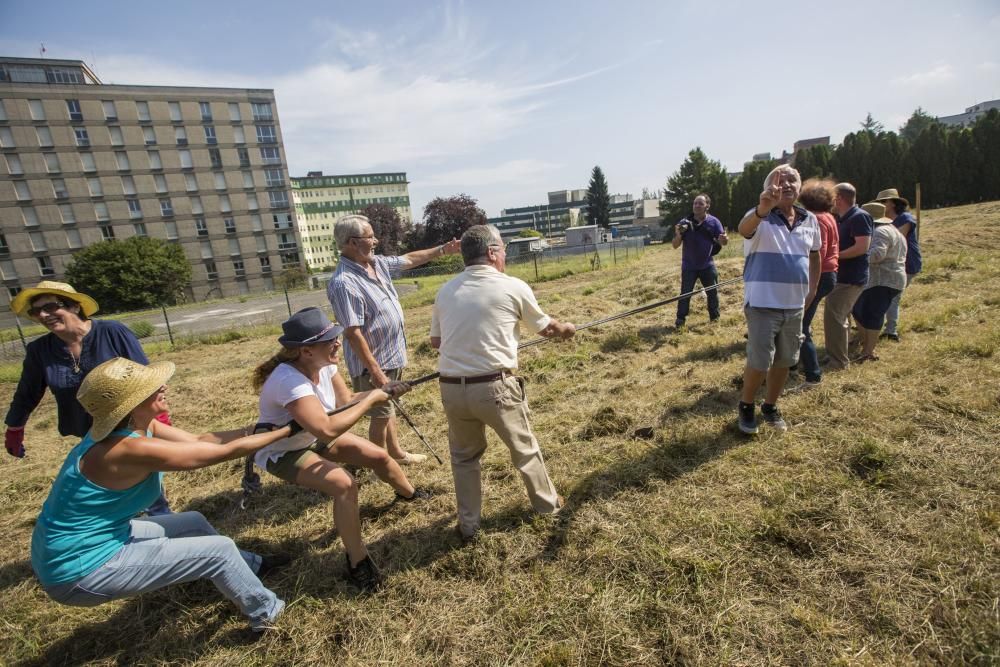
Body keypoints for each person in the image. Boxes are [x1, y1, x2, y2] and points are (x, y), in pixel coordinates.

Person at [31, 357, 295, 633]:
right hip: (79, 569)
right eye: (152, 387)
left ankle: (250, 567)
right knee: (219, 550)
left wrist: (251, 431)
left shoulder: (138, 427)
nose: (163, 387)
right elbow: (211, 455)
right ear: (132, 404)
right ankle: (268, 615)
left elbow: (199, 440)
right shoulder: (123, 449)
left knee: (192, 522)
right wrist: (287, 431)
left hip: (90, 541)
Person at [252, 307, 430, 590]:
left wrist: (383, 390)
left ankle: (409, 494)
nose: (338, 342)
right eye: (330, 340)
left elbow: (344, 399)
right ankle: (358, 561)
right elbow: (327, 428)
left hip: (312, 437)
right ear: (306, 351)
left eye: (336, 336)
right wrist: (372, 400)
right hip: (284, 451)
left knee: (379, 455)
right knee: (344, 485)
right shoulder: (289, 382)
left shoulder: (325, 365)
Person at [430, 225, 575, 542]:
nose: (506, 254)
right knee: (524, 450)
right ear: (492, 253)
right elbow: (546, 329)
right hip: (494, 388)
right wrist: (565, 329)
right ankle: (548, 507)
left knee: (464, 458)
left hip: (451, 388)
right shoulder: (512, 286)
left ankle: (469, 526)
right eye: (504, 249)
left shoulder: (445, 291)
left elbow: (435, 342)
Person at [5, 281, 172, 515]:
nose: (43, 314)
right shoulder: (39, 350)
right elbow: (27, 392)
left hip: (132, 426)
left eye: (51, 307)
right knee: (108, 487)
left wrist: (159, 420)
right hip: (90, 433)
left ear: (74, 306)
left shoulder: (112, 332)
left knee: (143, 485)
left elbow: (146, 378)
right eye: (36, 311)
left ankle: (162, 522)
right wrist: (15, 427)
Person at [328, 214, 462, 466]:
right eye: (370, 237)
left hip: (390, 355)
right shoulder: (344, 283)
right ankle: (377, 464)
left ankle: (395, 453)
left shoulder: (376, 264)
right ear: (352, 242)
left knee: (388, 408)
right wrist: (376, 372)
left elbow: (410, 259)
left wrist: (443, 250)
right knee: (379, 414)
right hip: (373, 363)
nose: (376, 241)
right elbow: (353, 333)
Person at [736, 166, 821, 434]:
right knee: (760, 360)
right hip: (762, 304)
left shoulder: (810, 220)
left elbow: (815, 255)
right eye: (779, 181)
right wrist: (763, 208)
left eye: (792, 180)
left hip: (795, 305)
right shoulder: (761, 217)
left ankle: (770, 405)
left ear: (800, 185)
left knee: (785, 360)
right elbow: (744, 228)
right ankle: (746, 405)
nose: (786, 185)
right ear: (769, 187)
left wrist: (813, 289)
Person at [791, 179, 840, 391]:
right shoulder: (829, 216)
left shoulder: (815, 220)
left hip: (818, 277)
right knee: (803, 322)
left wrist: (809, 286)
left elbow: (815, 255)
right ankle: (792, 364)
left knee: (800, 326)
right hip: (830, 275)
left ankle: (812, 375)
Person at [823, 183, 873, 370]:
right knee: (837, 317)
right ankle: (836, 355)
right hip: (841, 276)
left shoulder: (860, 217)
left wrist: (833, 256)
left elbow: (862, 247)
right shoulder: (842, 218)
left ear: (839, 198)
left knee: (834, 317)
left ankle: (838, 361)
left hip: (851, 278)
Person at [851, 202, 907, 362]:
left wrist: (857, 257)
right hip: (889, 279)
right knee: (861, 311)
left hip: (883, 280)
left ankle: (868, 351)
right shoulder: (894, 230)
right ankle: (866, 345)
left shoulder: (880, 232)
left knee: (873, 315)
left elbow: (877, 254)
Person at [671, 193, 729, 327]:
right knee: (685, 294)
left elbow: (723, 241)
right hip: (689, 266)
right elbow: (675, 245)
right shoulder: (684, 223)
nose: (697, 206)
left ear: (707, 206)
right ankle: (680, 320)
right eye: (695, 203)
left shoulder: (714, 222)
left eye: (700, 203)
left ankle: (714, 318)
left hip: (707, 265)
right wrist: (679, 235)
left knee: (713, 292)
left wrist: (724, 240)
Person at [876, 188, 922, 341]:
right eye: (879, 202)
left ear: (894, 203)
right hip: (889, 265)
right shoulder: (882, 221)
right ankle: (874, 324)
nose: (881, 205)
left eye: (884, 202)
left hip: (907, 264)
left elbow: (894, 240)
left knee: (892, 297)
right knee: (884, 296)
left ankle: (891, 331)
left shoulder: (905, 219)